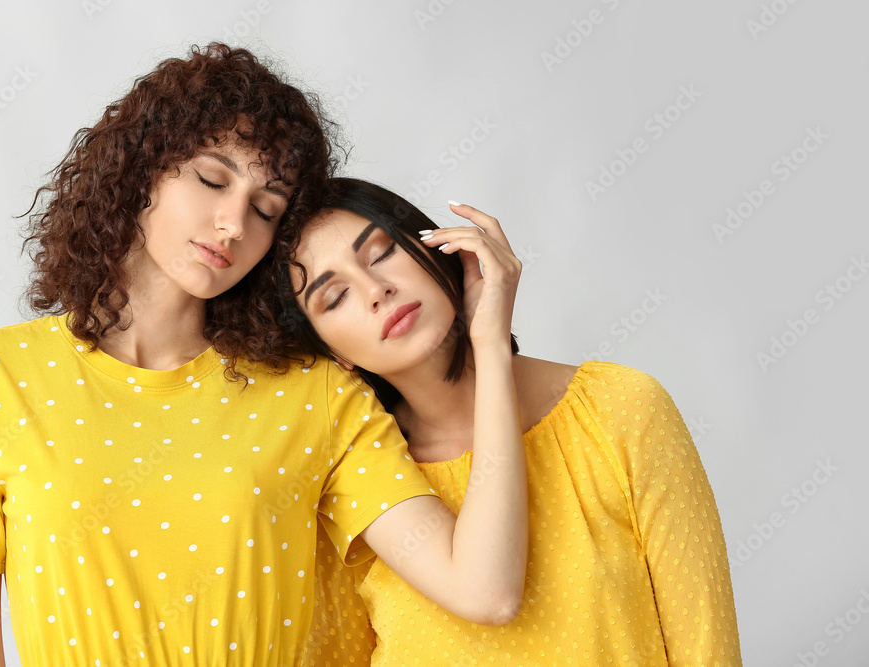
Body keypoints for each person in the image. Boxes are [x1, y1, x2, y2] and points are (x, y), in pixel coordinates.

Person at [0, 46, 530, 667]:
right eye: (213, 179)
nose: (232, 224)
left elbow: (485, 590)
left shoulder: (315, 394)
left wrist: (488, 343)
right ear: (142, 169)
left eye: (265, 209)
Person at [275, 178, 743, 666]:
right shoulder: (356, 483)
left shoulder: (619, 407)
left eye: (382, 252)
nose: (376, 290)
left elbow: (706, 648)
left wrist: (490, 344)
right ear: (331, 353)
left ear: (436, 245)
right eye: (334, 298)